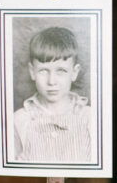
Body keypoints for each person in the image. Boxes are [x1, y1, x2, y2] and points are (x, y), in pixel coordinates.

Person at [13, 26, 92, 163]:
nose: (51, 81)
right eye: (43, 71)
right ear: (32, 71)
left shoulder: (90, 118)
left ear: (74, 72)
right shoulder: (19, 120)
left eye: (61, 70)